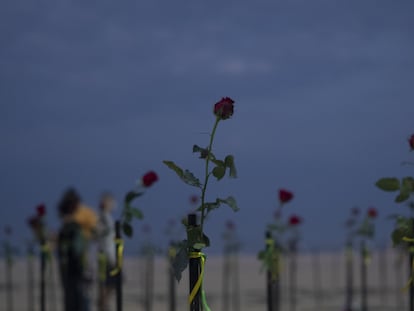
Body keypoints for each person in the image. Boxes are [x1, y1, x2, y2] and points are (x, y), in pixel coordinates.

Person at [56, 188, 96, 311]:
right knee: (71, 294)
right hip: (69, 262)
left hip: (82, 257)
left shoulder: (84, 213)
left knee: (82, 293)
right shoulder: (68, 219)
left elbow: (94, 229)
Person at [96, 192, 118, 311]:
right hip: (106, 255)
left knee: (109, 282)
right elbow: (104, 239)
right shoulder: (103, 217)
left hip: (108, 254)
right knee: (107, 282)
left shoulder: (106, 217)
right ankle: (102, 304)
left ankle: (103, 304)